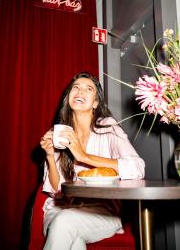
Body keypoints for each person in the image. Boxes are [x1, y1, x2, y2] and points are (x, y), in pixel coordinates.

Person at [40, 71, 145, 250]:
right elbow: (56, 191)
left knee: (64, 223)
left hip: (101, 212)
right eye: (76, 88)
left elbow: (137, 167)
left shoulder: (108, 127)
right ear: (68, 98)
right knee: (74, 241)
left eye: (88, 89)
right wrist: (50, 156)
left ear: (95, 103)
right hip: (60, 209)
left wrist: (84, 156)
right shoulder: (60, 133)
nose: (80, 91)